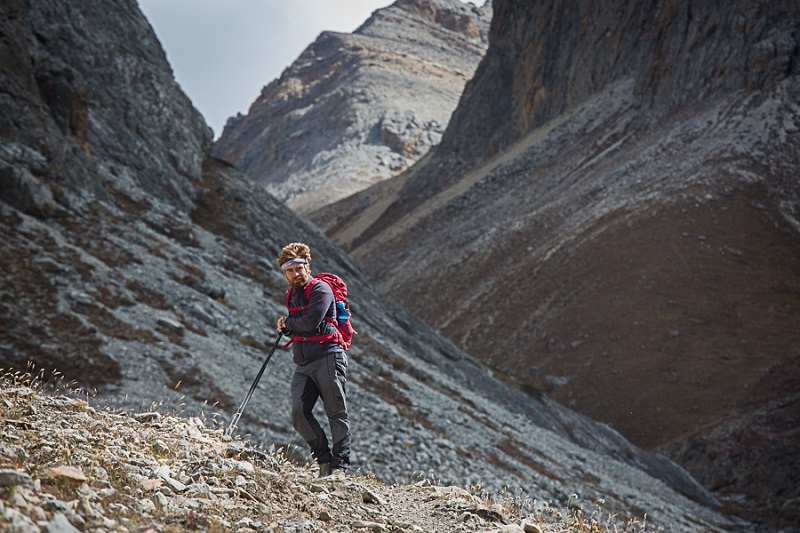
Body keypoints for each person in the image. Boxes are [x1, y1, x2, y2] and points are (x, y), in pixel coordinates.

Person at [276, 242, 351, 477]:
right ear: (284, 273)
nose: (295, 274)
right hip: (303, 362)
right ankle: (324, 460)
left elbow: (311, 322)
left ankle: (339, 467)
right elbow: (302, 326)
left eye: (299, 268)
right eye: (290, 270)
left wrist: (287, 323)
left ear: (308, 267)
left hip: (329, 356)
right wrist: (287, 328)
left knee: (335, 412)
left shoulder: (321, 290)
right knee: (299, 413)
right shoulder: (291, 294)